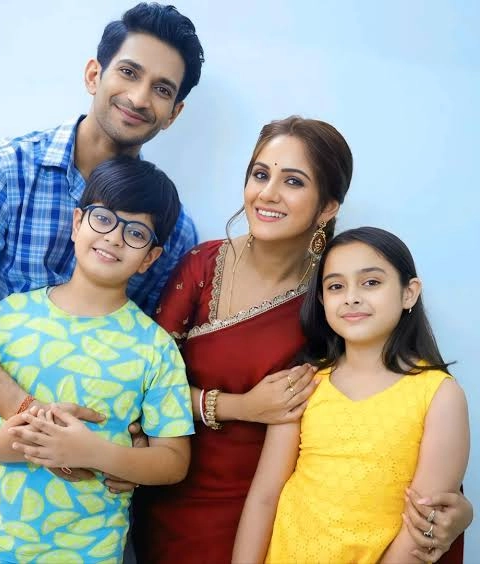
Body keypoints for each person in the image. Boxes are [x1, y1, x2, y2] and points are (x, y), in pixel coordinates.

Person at [131, 117, 472, 564]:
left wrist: (456, 509)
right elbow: (144, 386)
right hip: (184, 493)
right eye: (260, 174)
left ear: (327, 206)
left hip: (293, 512)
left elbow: (384, 410)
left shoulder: (337, 289)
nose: (268, 193)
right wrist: (238, 406)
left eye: (293, 181)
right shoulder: (202, 265)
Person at [0, 3, 204, 560]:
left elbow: (148, 351)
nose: (139, 97)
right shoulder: (2, 172)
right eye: (128, 72)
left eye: (161, 89)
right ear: (94, 74)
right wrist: (35, 421)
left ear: (174, 112)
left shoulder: (173, 233)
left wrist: (128, 451)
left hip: (88, 487)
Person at [0, 156, 195, 563]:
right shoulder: (8, 315)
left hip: (88, 551)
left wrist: (91, 452)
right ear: (77, 223)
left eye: (135, 232)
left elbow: (173, 461)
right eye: (103, 219)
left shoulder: (155, 348)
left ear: (150, 258)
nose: (114, 237)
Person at [232, 226, 470, 564]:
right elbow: (265, 497)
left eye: (371, 282)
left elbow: (421, 527)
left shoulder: (440, 395)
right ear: (321, 300)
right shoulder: (304, 383)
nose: (351, 297)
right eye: (336, 286)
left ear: (409, 293)